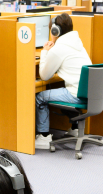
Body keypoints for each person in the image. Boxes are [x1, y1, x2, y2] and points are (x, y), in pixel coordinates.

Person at [35, 13, 92, 150]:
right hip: (89, 94)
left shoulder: (59, 49)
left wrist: (45, 52)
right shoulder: (79, 44)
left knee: (40, 97)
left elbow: (44, 75)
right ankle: (75, 128)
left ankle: (43, 136)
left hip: (76, 95)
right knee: (60, 92)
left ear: (55, 31)